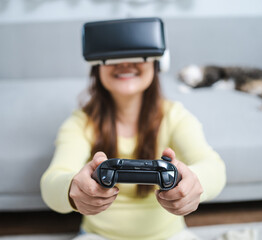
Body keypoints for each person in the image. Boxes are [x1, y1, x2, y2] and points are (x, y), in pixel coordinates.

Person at [40, 19, 226, 240]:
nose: (125, 63)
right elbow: (52, 182)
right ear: (97, 65)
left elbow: (213, 166)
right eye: (114, 56)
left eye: (137, 55)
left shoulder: (175, 116)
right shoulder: (81, 123)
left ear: (158, 62)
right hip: (99, 236)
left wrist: (196, 181)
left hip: (169, 235)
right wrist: (72, 188)